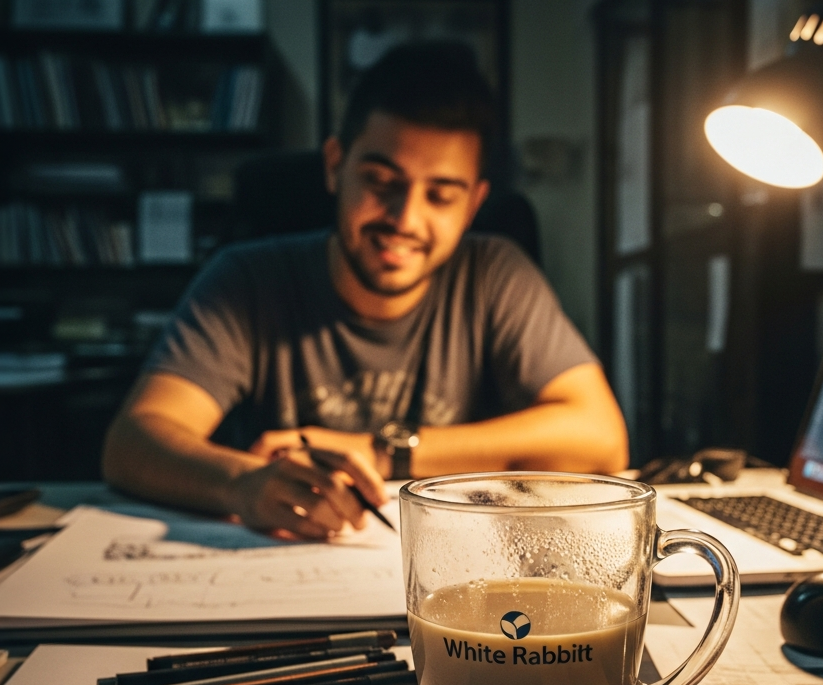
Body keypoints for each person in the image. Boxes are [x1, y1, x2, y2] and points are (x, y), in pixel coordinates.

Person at [102, 42, 627, 540]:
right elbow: (133, 442)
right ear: (335, 166)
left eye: (441, 196)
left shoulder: (496, 274)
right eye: (381, 183)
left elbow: (600, 437)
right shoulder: (246, 280)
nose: (405, 219)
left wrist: (380, 453)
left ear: (473, 204)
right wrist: (241, 484)